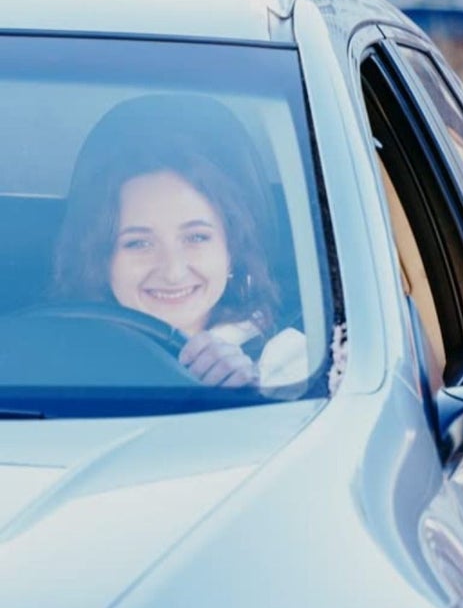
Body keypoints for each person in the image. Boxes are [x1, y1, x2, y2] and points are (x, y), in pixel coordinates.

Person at [52, 94, 309, 391]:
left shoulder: (293, 366)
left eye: (196, 237)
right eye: (138, 243)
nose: (173, 271)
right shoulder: (53, 365)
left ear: (232, 249)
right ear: (100, 258)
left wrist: (252, 394)